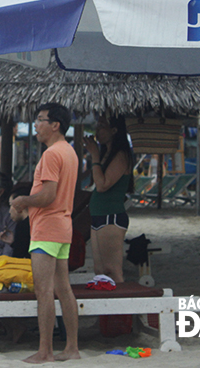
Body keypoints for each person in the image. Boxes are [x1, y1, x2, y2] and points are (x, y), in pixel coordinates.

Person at [11, 103, 80, 363]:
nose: (36, 125)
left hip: (47, 227)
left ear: (55, 125)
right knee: (64, 288)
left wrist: (22, 201)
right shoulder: (69, 151)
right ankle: (72, 347)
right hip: (63, 225)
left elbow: (48, 196)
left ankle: (45, 350)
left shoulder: (52, 154)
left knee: (44, 290)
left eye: (40, 120)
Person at [84, 115, 133, 284]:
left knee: (112, 270)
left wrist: (95, 156)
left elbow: (102, 185)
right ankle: (110, 307)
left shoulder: (121, 155)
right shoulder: (107, 153)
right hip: (99, 215)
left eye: (102, 126)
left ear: (114, 131)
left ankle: (123, 308)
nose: (98, 130)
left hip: (111, 216)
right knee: (100, 271)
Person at [0, 182, 32, 259]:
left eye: (11, 205)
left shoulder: (22, 226)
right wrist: (14, 242)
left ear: (20, 206)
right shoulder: (34, 222)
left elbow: (18, 256)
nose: (9, 211)